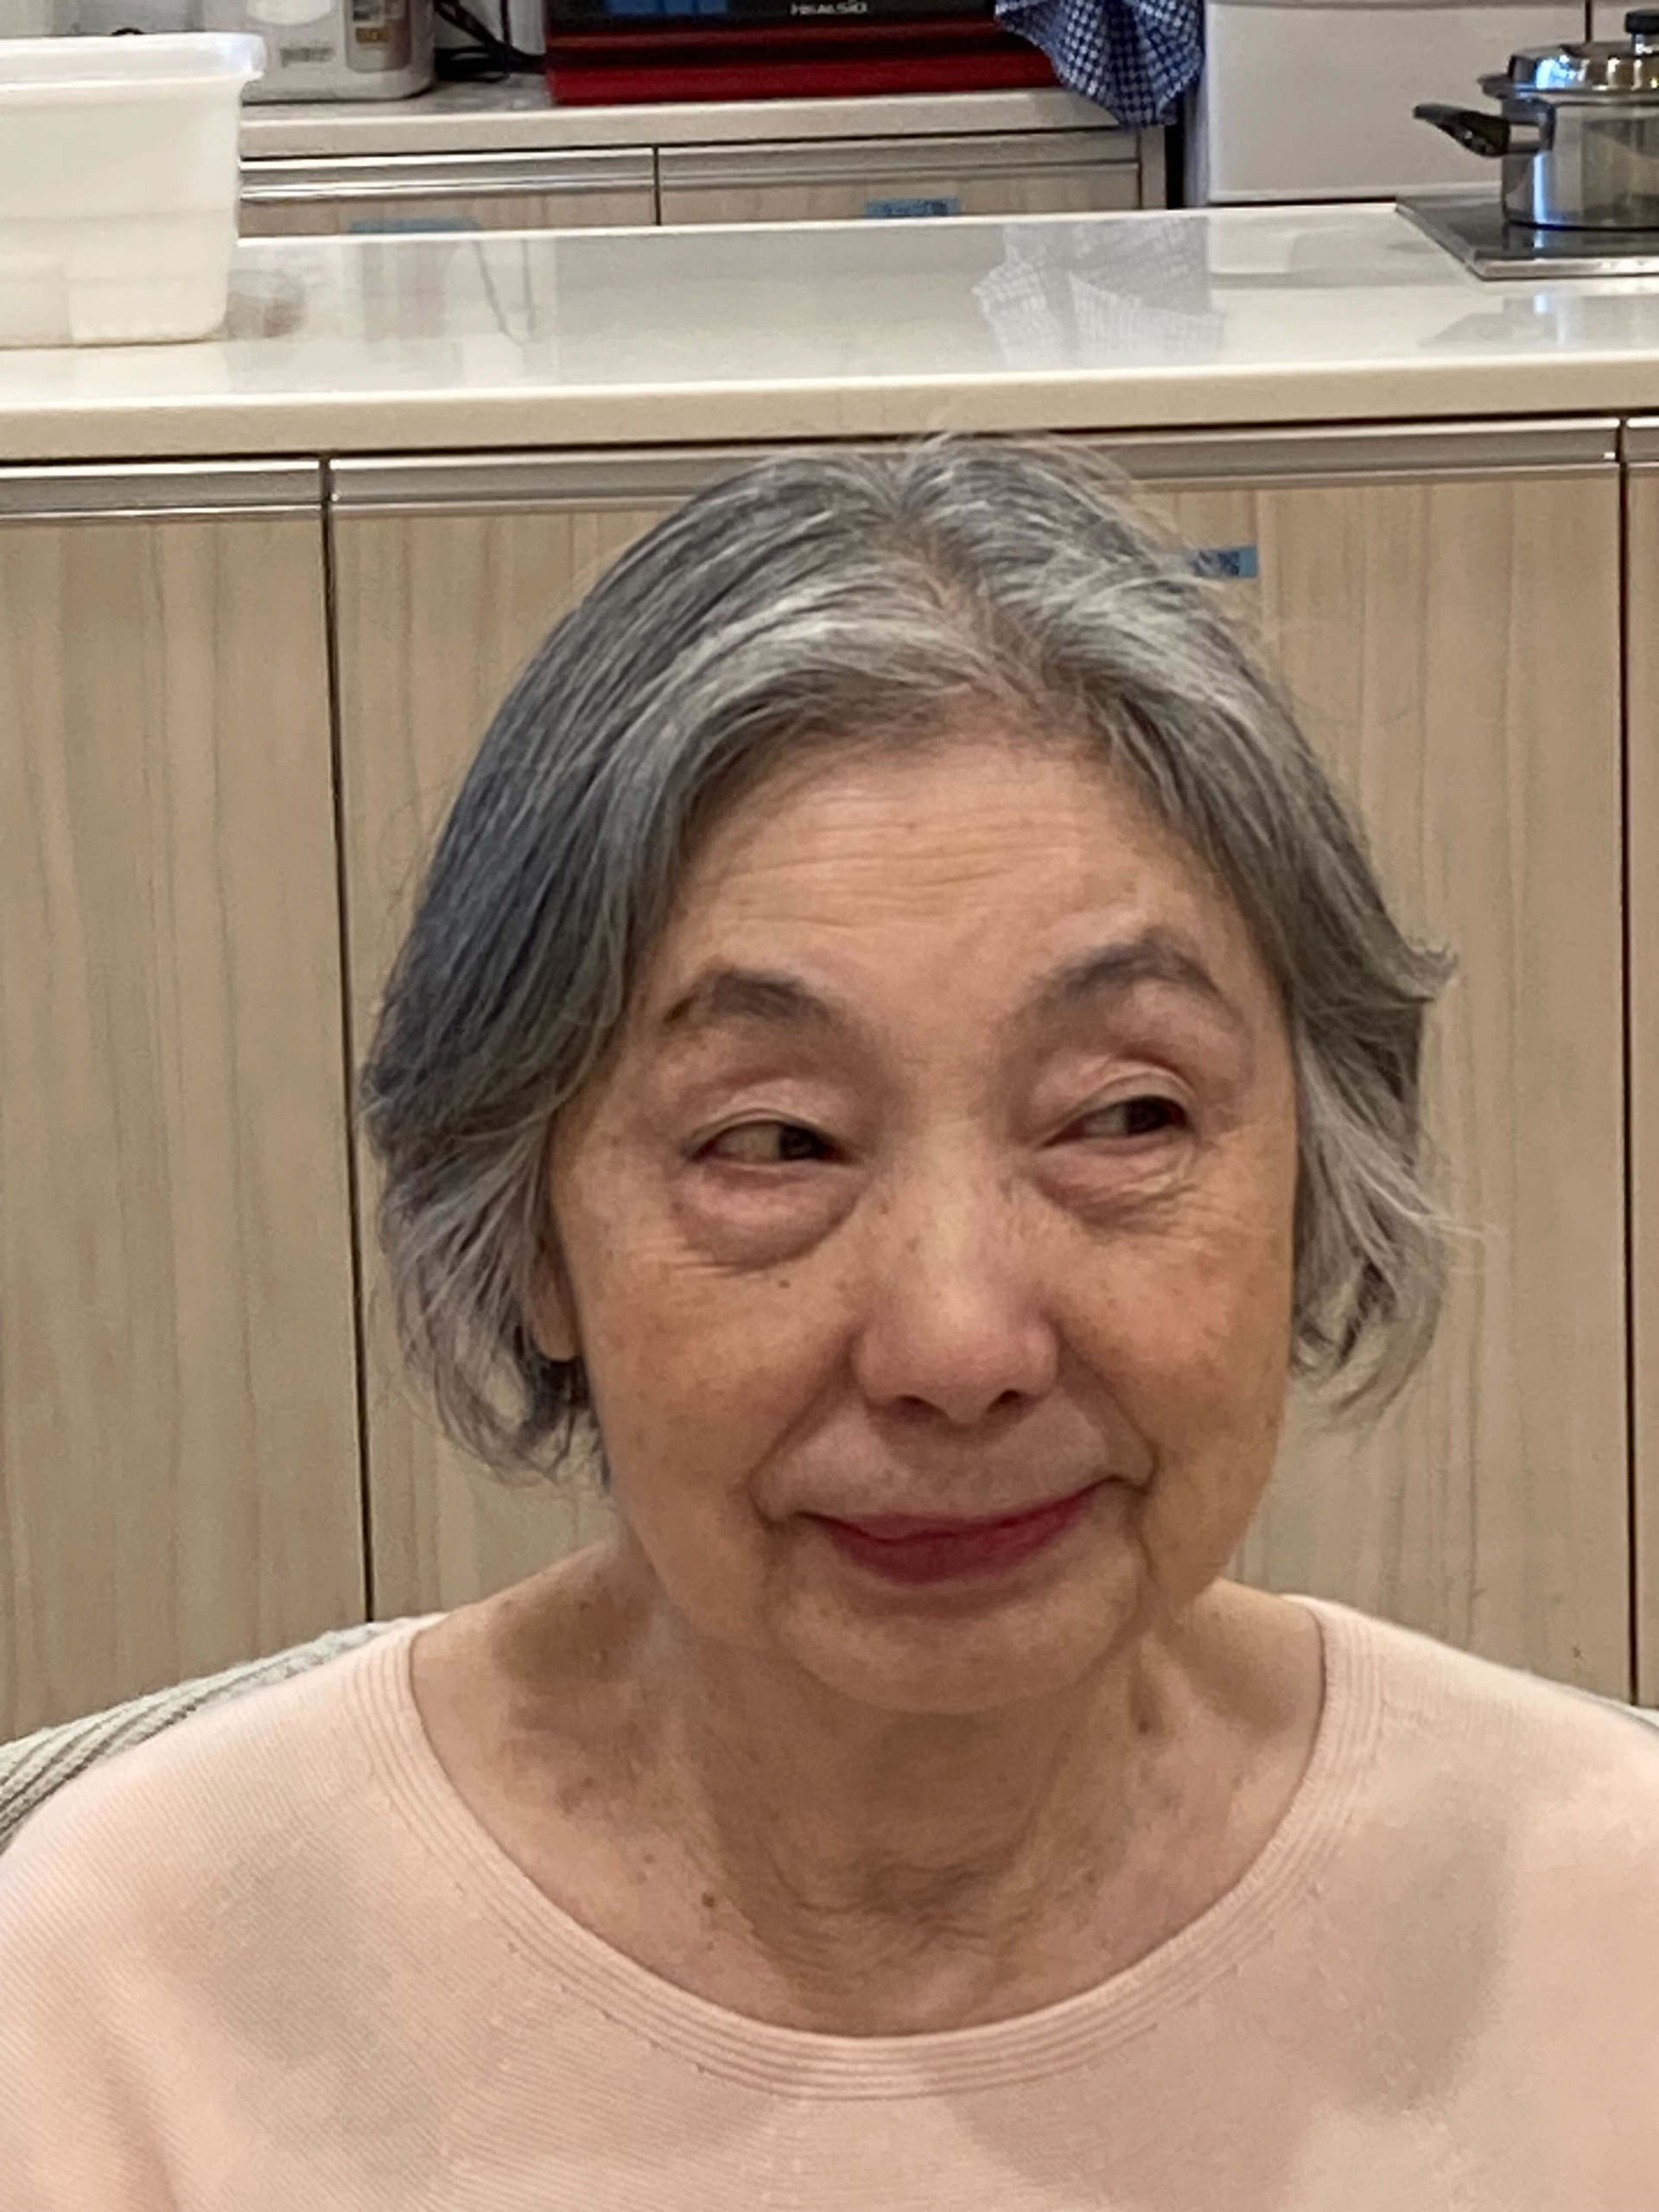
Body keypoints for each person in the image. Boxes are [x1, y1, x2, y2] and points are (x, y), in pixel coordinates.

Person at [1, 438, 1656, 2210]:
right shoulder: (126, 2000)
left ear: (1320, 1174)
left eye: (1124, 1116)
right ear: (531, 1232)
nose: (958, 1344)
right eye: (773, 1141)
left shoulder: (1596, 1921)